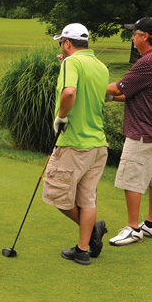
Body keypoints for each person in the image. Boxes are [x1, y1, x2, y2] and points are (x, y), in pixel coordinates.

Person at [42, 23, 109, 265]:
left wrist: (61, 116)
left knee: (57, 195)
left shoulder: (72, 63)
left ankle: (91, 232)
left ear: (67, 43)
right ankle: (82, 249)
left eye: (62, 42)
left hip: (74, 143)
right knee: (87, 198)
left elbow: (70, 93)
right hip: (98, 145)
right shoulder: (100, 66)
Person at [107, 17, 152, 246]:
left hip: (143, 133)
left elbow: (118, 87)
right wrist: (105, 97)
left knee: (131, 179)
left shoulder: (149, 61)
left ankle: (133, 228)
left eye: (134, 34)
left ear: (145, 36)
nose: (132, 38)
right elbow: (127, 94)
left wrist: (87, 83)